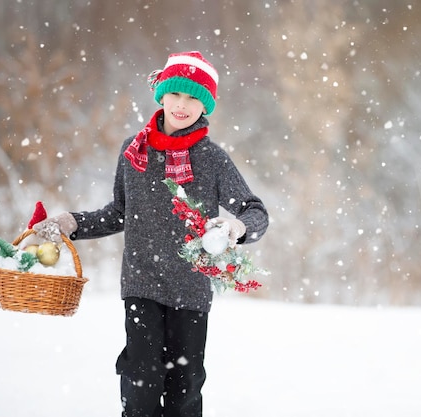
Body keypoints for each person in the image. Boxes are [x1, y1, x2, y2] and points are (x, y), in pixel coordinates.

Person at [34, 51, 269, 416]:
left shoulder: (211, 159)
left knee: (184, 392)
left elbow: (256, 212)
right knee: (140, 387)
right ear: (161, 95)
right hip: (142, 283)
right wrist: (73, 223)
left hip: (190, 291)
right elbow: (119, 213)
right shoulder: (134, 151)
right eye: (176, 94)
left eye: (193, 98)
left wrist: (236, 227)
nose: (182, 105)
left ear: (204, 106)